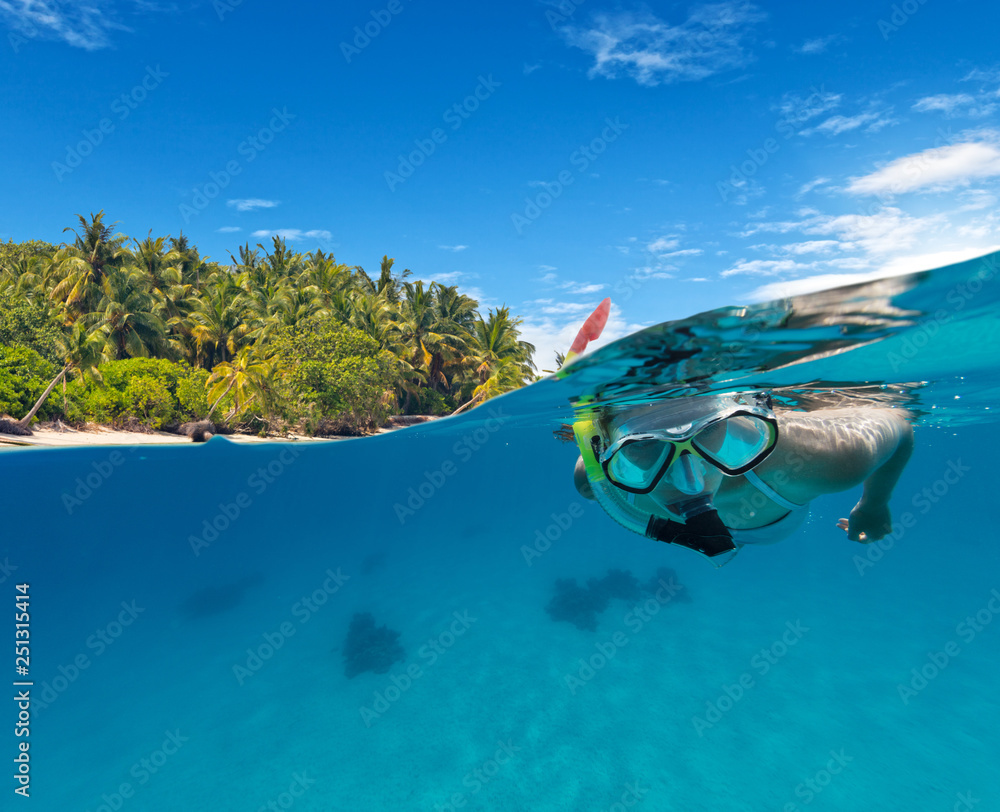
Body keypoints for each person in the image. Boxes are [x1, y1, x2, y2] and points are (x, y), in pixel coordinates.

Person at [572, 390, 913, 564]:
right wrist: (874, 505)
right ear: (602, 448)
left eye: (708, 432)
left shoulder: (821, 456)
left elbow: (899, 425)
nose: (691, 482)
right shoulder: (596, 479)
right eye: (645, 446)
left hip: (778, 519)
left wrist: (875, 503)